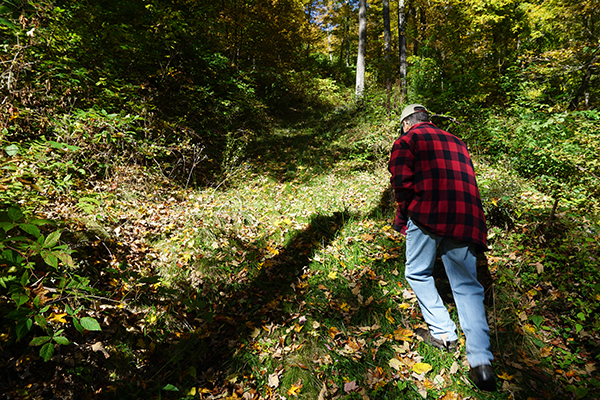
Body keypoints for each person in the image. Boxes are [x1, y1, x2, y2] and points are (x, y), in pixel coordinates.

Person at [388, 104, 496, 392]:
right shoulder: (457, 142)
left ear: (407, 123)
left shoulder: (407, 141)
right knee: (467, 286)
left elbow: (401, 185)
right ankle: (482, 364)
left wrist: (403, 219)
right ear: (428, 120)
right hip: (465, 216)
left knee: (418, 273)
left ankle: (444, 334)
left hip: (428, 213)